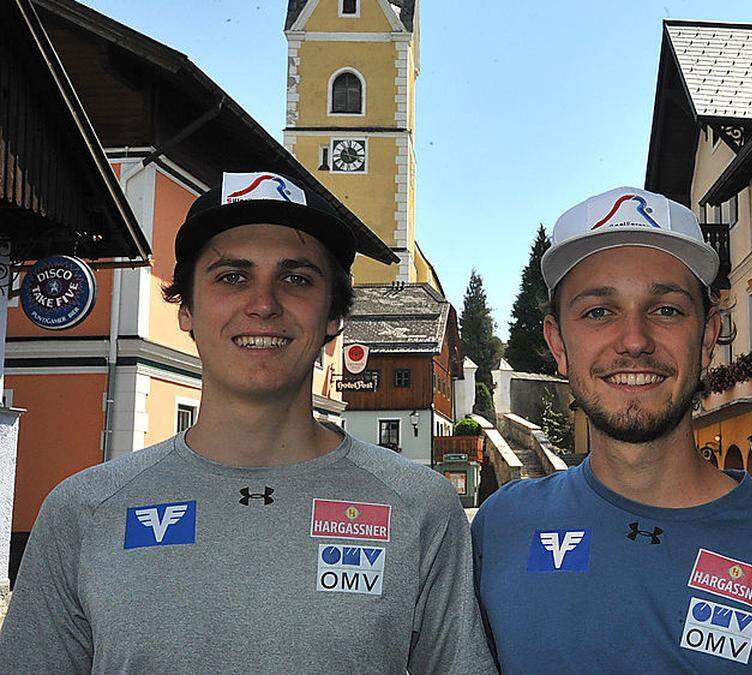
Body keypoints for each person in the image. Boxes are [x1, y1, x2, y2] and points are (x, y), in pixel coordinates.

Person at [0, 172, 495, 674]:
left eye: (297, 279)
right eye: (232, 277)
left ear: (333, 317)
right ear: (186, 309)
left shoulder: (420, 507)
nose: (263, 304)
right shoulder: (81, 512)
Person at [471, 187, 752, 673]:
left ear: (707, 337)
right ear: (558, 343)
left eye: (666, 310)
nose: (635, 341)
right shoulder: (500, 530)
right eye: (599, 311)